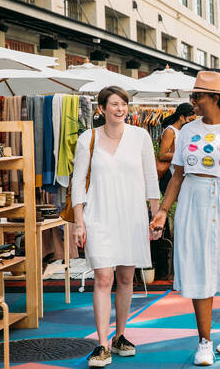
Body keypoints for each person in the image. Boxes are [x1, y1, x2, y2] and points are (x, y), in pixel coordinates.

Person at [150, 71, 220, 365]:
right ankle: (204, 341)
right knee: (199, 267)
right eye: (193, 96)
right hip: (194, 199)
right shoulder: (186, 131)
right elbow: (177, 177)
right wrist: (162, 210)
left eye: (197, 96)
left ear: (215, 98)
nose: (193, 101)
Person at [72, 86, 161, 368]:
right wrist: (78, 221)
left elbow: (151, 177)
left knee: (125, 278)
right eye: (113, 104)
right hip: (99, 215)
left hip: (132, 215)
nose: (120, 108)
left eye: (123, 103)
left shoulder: (141, 136)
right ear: (101, 109)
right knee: (103, 278)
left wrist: (156, 215)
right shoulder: (88, 138)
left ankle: (120, 336)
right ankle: (101, 344)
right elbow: (77, 181)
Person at [157, 103, 196, 194]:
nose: (191, 123)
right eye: (190, 120)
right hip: (170, 174)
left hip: (178, 172)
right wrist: (185, 155)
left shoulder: (182, 130)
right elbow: (162, 155)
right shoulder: (170, 131)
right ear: (182, 117)